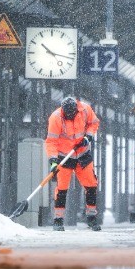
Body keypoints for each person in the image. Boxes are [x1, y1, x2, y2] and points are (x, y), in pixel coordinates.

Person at [45, 96, 101, 231]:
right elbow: (51, 141)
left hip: (82, 154)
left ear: (76, 109)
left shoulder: (85, 110)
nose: (69, 116)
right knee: (62, 188)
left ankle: (91, 217)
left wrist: (88, 137)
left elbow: (94, 123)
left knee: (91, 185)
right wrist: (53, 161)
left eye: (72, 113)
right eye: (67, 114)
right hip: (65, 156)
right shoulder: (56, 117)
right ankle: (58, 220)